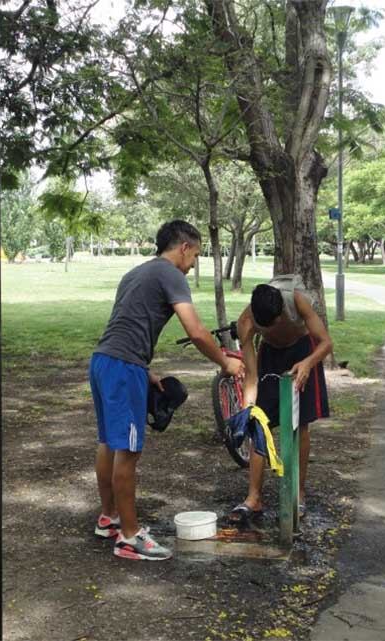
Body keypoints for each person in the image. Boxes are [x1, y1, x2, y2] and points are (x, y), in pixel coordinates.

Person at [90, 220, 243, 561]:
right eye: (195, 256)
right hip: (123, 367)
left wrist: (144, 370)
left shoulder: (136, 273)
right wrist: (225, 362)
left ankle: (109, 518)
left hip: (104, 361)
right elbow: (198, 332)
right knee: (128, 450)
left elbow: (124, 323)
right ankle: (129, 537)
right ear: (184, 246)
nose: (192, 265)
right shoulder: (170, 273)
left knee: (108, 442)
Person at [228, 276, 333, 524]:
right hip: (271, 357)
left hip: (303, 350)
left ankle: (298, 493)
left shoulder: (296, 300)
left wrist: (308, 363)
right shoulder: (247, 322)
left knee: (300, 425)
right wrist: (249, 408)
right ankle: (253, 498)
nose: (272, 329)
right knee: (259, 424)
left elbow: (326, 343)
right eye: (267, 328)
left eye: (276, 324)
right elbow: (252, 375)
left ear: (282, 311)